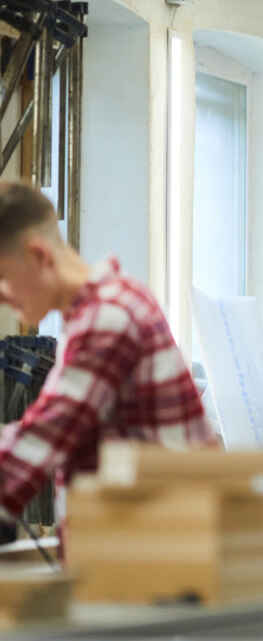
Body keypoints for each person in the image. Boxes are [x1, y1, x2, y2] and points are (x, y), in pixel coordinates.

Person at [0, 181, 216, 543]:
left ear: (39, 256)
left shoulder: (108, 317)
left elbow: (46, 434)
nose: (3, 299)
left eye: (2, 279)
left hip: (168, 557)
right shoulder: (106, 306)